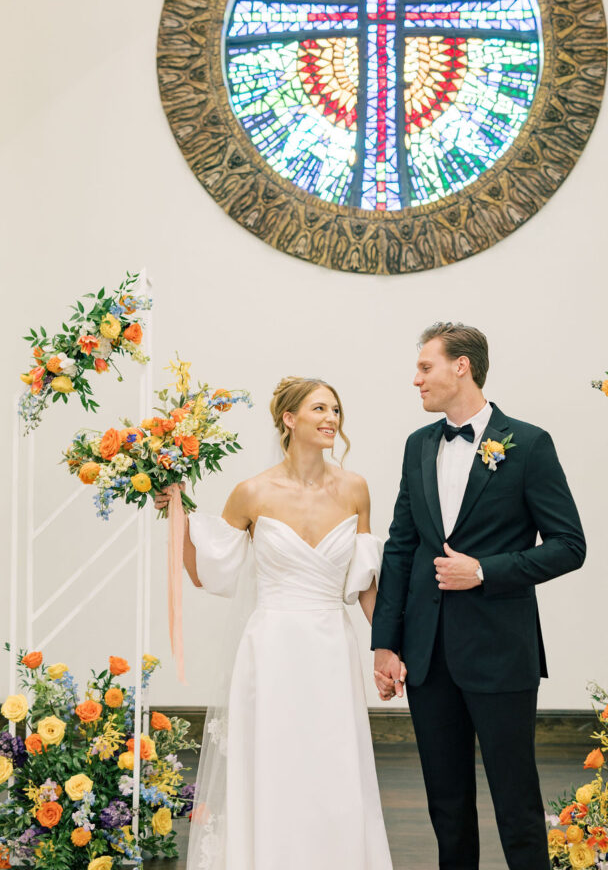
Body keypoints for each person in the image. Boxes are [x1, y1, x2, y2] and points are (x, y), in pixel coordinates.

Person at [372, 322, 586, 870]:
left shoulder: (529, 444)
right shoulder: (418, 445)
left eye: (425, 367)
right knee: (446, 807)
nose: (415, 379)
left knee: (516, 803)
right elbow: (400, 549)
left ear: (461, 366)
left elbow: (569, 546)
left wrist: (484, 571)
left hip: (499, 652)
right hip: (426, 656)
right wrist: (386, 644)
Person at [155, 376, 392, 870]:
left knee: (333, 766)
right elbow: (206, 571)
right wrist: (177, 512)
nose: (332, 419)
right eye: (319, 409)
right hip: (272, 648)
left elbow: (366, 580)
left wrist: (387, 648)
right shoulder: (252, 492)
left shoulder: (355, 488)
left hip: (331, 644)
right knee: (274, 765)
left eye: (336, 410)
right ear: (289, 419)